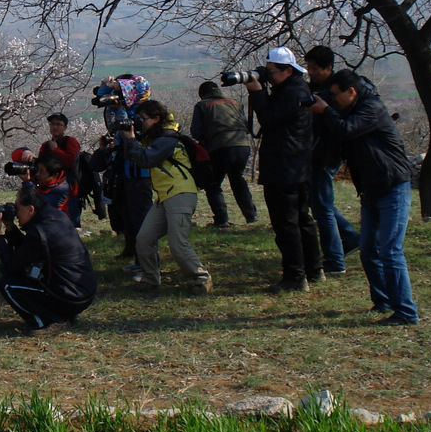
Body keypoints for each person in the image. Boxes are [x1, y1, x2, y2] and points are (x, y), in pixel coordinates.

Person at [309, 69, 420, 325]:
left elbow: (346, 130)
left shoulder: (372, 108)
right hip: (371, 188)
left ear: (352, 91)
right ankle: (382, 302)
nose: (333, 100)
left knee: (390, 251)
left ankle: (406, 312)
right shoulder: (349, 110)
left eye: (336, 95)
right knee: (369, 250)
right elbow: (334, 138)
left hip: (392, 185)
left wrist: (325, 111)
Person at [245, 46, 324, 291]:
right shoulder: (295, 89)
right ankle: (313, 269)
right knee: (302, 219)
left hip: (284, 167)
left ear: (287, 70)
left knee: (286, 223)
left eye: (271, 71)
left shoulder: (292, 93)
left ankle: (295, 277)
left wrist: (257, 92)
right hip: (296, 165)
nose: (268, 76)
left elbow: (269, 119)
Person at [121, 100, 212, 294]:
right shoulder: (154, 138)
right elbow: (136, 157)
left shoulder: (167, 139)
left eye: (143, 119)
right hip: (165, 196)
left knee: (178, 242)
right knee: (144, 239)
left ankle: (201, 278)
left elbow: (147, 159)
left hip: (180, 193)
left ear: (156, 119)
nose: (140, 122)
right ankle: (151, 279)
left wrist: (130, 140)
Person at [0, 182, 98, 335]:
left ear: (30, 209)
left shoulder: (40, 232)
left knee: (8, 284)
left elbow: (12, 265)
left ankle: (47, 321)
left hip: (70, 297)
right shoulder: (55, 217)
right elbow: (28, 250)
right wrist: (10, 227)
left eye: (18, 209)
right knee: (24, 274)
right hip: (83, 293)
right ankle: (63, 314)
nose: (15, 213)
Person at [304, 45, 361, 274]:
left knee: (323, 208)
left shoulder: (336, 92)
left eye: (314, 68)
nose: (310, 72)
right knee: (320, 204)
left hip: (327, 154)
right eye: (308, 67)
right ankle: (350, 238)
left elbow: (339, 125)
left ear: (328, 68)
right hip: (317, 153)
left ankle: (335, 260)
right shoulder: (314, 88)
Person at [89, 74, 154, 264]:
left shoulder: (144, 112)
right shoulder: (119, 110)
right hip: (120, 172)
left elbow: (131, 133)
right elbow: (116, 130)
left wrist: (120, 108)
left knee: (139, 217)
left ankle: (145, 262)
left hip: (138, 174)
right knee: (124, 216)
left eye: (119, 92)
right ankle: (131, 251)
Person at [190, 80, 258, 227]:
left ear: (202, 94)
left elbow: (196, 131)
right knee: (238, 179)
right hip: (242, 146)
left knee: (213, 184)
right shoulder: (235, 102)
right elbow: (246, 125)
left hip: (219, 147)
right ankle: (251, 215)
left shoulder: (202, 105)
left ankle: (222, 219)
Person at [39, 112, 81, 226]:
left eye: (58, 124)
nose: (55, 127)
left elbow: (71, 162)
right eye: (52, 124)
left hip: (69, 189)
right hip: (49, 188)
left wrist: (56, 150)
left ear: (65, 127)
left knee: (71, 224)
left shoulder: (71, 142)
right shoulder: (45, 145)